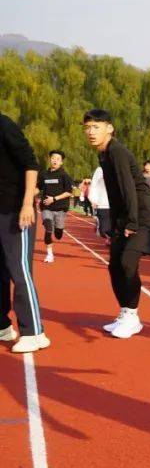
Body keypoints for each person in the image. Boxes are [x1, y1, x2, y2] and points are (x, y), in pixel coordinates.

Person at [82, 109, 150, 339]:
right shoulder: (104, 154)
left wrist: (132, 222)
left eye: (96, 127)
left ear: (109, 128)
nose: (90, 132)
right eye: (87, 128)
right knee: (114, 265)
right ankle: (126, 312)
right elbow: (115, 193)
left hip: (143, 216)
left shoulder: (116, 151)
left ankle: (133, 317)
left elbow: (128, 189)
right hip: (125, 216)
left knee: (127, 263)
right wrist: (113, 223)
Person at [0, 111, 48, 353]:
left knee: (19, 271)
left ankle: (34, 331)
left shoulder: (3, 124)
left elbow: (31, 163)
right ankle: (2, 326)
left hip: (16, 211)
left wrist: (28, 203)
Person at [39, 149, 74, 264]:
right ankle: (49, 254)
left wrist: (54, 199)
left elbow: (69, 192)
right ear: (50, 159)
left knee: (58, 234)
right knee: (48, 228)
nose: (55, 160)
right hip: (46, 207)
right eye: (53, 158)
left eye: (58, 159)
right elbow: (38, 188)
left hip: (60, 208)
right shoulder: (44, 174)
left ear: (61, 162)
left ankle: (59, 230)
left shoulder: (64, 175)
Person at [87, 164, 110, 239]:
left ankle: (111, 240)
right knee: (103, 231)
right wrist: (92, 199)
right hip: (103, 203)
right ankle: (99, 226)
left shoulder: (121, 167)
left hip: (116, 204)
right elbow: (94, 185)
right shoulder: (100, 170)